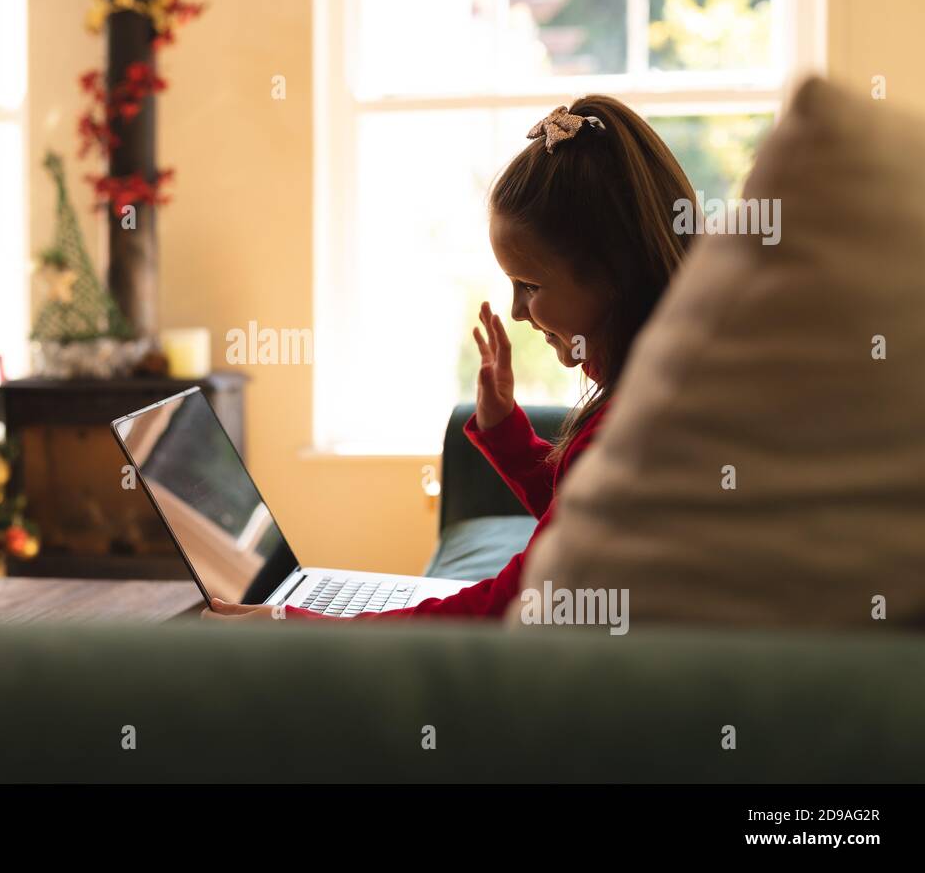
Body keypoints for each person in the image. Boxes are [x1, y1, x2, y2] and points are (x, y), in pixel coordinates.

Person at [204, 97, 698, 623]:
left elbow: (511, 609)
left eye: (530, 285)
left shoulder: (634, 429)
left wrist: (301, 630)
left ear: (614, 274)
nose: (516, 311)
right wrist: (504, 430)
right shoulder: (663, 387)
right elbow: (580, 528)